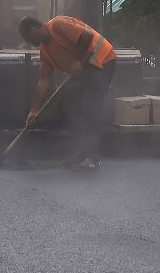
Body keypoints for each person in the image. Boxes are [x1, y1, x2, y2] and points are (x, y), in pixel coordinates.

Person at [19, 14, 117, 172]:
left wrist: (78, 60)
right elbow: (43, 81)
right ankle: (84, 150)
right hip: (85, 70)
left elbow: (87, 35)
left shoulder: (58, 25)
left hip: (102, 62)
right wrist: (34, 110)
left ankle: (92, 158)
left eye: (28, 37)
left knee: (90, 107)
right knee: (65, 105)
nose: (29, 42)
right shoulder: (45, 51)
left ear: (33, 29)